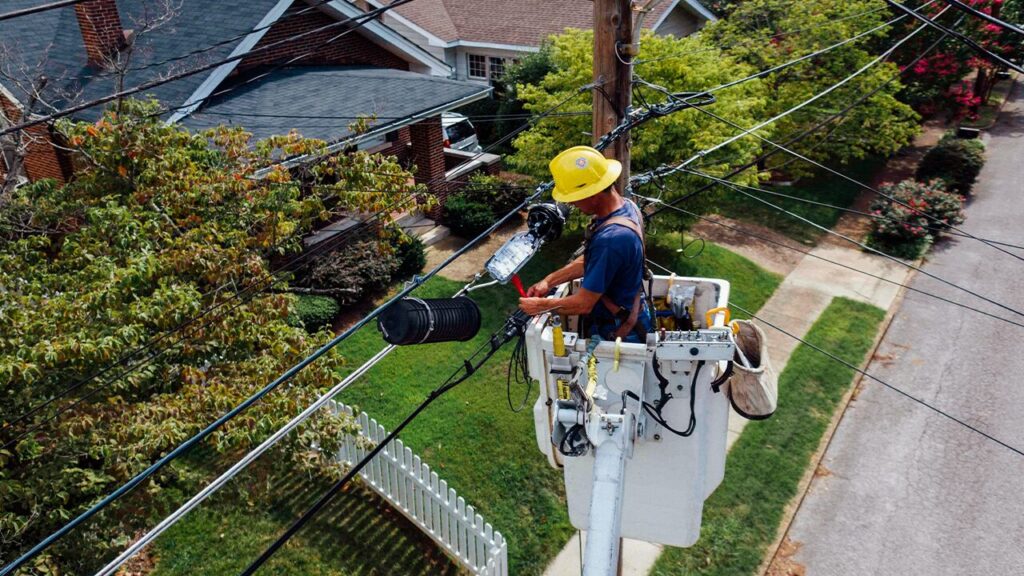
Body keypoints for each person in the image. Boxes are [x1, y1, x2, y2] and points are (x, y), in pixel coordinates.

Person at [518, 146, 652, 342]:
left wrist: (540, 306)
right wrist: (549, 281)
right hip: (629, 315)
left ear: (593, 193)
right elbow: (592, 261)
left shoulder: (612, 239)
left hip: (619, 331)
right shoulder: (627, 207)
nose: (572, 204)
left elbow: (583, 304)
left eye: (574, 198)